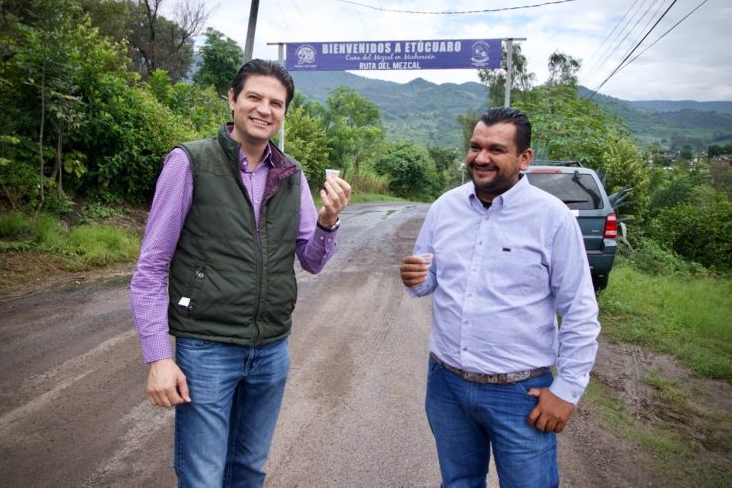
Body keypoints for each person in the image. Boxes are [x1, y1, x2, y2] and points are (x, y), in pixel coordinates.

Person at [130, 59, 351, 487]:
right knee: (203, 476)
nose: (264, 109)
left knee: (249, 469)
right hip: (207, 348)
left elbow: (312, 261)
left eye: (276, 103)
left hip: (270, 349)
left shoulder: (291, 174)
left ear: (285, 112)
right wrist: (159, 357)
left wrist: (328, 221)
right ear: (232, 100)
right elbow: (151, 267)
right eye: (254, 97)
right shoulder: (190, 161)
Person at [400, 107, 600, 487]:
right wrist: (414, 279)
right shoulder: (445, 208)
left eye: (496, 149)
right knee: (458, 482)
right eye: (475, 147)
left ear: (524, 158)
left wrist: (567, 391)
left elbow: (579, 311)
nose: (481, 157)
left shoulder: (552, 218)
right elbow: (425, 281)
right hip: (447, 385)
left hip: (520, 393)